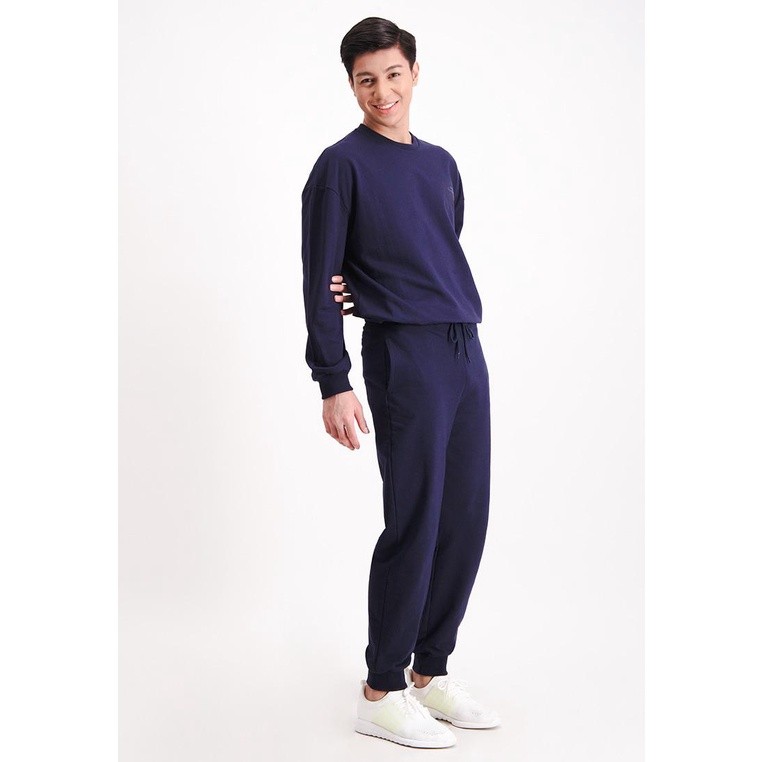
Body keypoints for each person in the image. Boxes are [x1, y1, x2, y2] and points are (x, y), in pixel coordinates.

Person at [300, 16, 500, 748]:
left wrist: (385, 282)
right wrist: (334, 378)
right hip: (404, 356)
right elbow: (320, 278)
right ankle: (380, 689)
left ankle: (430, 669)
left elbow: (434, 245)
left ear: (415, 73)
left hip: (464, 349)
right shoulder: (340, 166)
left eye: (392, 74)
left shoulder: (441, 163)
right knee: (415, 518)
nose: (381, 91)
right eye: (365, 79)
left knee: (465, 518)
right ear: (351, 85)